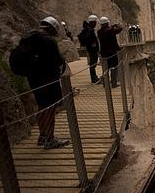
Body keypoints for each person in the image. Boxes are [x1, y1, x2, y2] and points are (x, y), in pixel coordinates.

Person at [21, 17, 70, 149]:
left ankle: (42, 136)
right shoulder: (49, 41)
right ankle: (50, 139)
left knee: (41, 107)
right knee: (50, 109)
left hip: (34, 80)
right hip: (48, 80)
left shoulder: (29, 37)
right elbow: (57, 60)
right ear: (52, 28)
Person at [97, 16, 123, 88]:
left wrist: (111, 27)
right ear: (107, 23)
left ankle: (106, 84)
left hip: (104, 53)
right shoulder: (110, 30)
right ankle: (114, 83)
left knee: (106, 69)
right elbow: (120, 29)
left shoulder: (99, 32)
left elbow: (106, 30)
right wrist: (116, 25)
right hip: (112, 53)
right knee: (114, 68)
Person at [78, 15, 100, 83]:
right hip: (92, 50)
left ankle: (94, 77)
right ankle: (94, 78)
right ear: (92, 22)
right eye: (95, 22)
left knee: (93, 64)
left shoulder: (87, 29)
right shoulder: (89, 30)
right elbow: (89, 39)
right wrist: (93, 44)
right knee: (93, 64)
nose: (96, 24)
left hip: (91, 49)